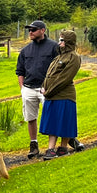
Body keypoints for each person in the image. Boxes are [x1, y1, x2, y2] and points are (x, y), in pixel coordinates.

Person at [15, 20, 60, 159]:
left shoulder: (54, 47)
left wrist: (52, 87)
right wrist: (22, 88)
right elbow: (20, 71)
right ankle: (33, 145)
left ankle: (51, 148)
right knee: (30, 117)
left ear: (42, 30)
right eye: (29, 30)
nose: (30, 32)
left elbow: (59, 68)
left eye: (33, 30)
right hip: (29, 88)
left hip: (46, 88)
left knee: (52, 116)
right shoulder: (25, 50)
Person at [38, 29, 83, 158]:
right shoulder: (59, 56)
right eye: (59, 40)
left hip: (64, 96)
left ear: (68, 41)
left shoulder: (73, 57)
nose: (59, 42)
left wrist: (49, 92)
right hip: (52, 95)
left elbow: (64, 78)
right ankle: (50, 149)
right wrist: (43, 87)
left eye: (62, 40)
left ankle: (62, 148)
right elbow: (49, 75)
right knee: (52, 123)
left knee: (64, 122)